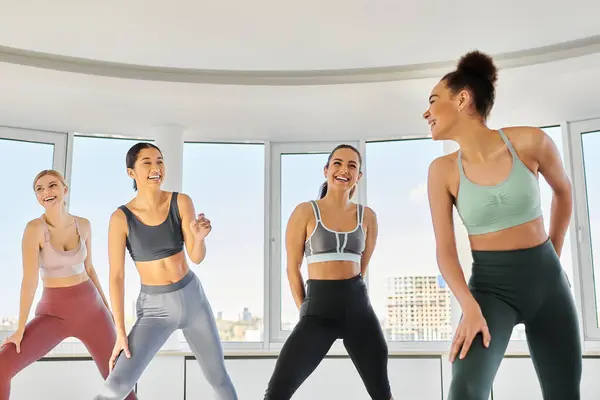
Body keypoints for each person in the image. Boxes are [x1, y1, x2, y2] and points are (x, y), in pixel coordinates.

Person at [424, 50, 582, 399]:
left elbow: (564, 194)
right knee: (465, 390)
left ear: (463, 99)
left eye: (433, 101)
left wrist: (552, 255)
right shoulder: (442, 171)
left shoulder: (529, 142)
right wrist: (468, 306)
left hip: (548, 285)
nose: (426, 112)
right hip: (490, 292)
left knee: (564, 392)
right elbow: (446, 251)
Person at [93, 142, 237, 400]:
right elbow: (116, 277)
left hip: (193, 299)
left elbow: (196, 256)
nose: (156, 167)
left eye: (159, 161)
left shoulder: (180, 201)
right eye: (146, 162)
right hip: (155, 309)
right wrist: (120, 332)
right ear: (131, 173)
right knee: (117, 384)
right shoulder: (121, 218)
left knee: (219, 378)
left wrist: (200, 237)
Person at [264, 144, 393, 400]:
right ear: (326, 170)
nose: (344, 169)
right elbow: (292, 268)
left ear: (359, 176)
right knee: (277, 393)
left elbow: (362, 267)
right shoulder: (305, 211)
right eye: (337, 163)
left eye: (352, 166)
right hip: (318, 311)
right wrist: (306, 310)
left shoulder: (367, 217)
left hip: (358, 310)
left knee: (382, 393)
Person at [0, 170, 136, 400]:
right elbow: (29, 280)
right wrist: (20, 328)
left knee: (122, 382)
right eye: (39, 189)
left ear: (65, 189)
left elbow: (90, 269)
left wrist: (109, 311)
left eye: (52, 185)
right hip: (54, 315)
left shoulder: (83, 225)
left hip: (93, 312)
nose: (46, 192)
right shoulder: (34, 229)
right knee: (2, 367)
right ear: (37, 198)